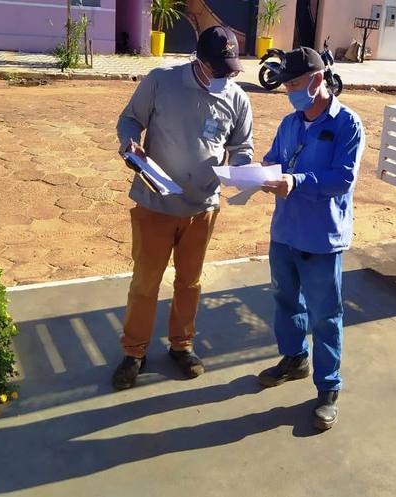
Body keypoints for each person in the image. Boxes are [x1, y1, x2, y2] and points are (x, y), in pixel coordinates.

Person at [113, 26, 254, 390]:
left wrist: (242, 169)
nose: (224, 77)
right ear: (199, 60)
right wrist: (130, 144)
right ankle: (134, 352)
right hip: (155, 204)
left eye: (230, 70)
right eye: (217, 70)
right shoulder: (161, 82)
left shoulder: (237, 98)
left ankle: (182, 345)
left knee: (189, 282)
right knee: (145, 283)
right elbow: (130, 119)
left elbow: (241, 146)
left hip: (202, 208)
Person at [258, 47, 365, 430]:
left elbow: (342, 179)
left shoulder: (347, 124)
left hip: (320, 238)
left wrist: (297, 181)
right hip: (285, 232)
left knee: (325, 315)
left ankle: (328, 388)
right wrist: (259, 173)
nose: (290, 92)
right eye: (286, 86)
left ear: (318, 80)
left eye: (295, 85)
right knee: (285, 301)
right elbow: (274, 158)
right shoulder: (289, 123)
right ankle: (294, 359)